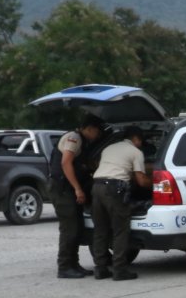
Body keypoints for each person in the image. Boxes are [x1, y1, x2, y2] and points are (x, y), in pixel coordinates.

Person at [90, 126, 151, 281]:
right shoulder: (136, 152)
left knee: (101, 230)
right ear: (136, 139)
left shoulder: (109, 148)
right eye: (140, 141)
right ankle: (119, 270)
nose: (140, 144)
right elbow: (141, 181)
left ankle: (100, 269)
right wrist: (155, 184)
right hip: (114, 190)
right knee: (120, 230)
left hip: (96, 187)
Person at [51, 115, 103, 279]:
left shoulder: (84, 142)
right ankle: (65, 266)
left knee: (76, 227)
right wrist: (78, 189)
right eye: (98, 131)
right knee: (69, 229)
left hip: (68, 189)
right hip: (63, 190)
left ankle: (74, 264)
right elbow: (66, 163)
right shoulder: (73, 138)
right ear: (90, 129)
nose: (98, 135)